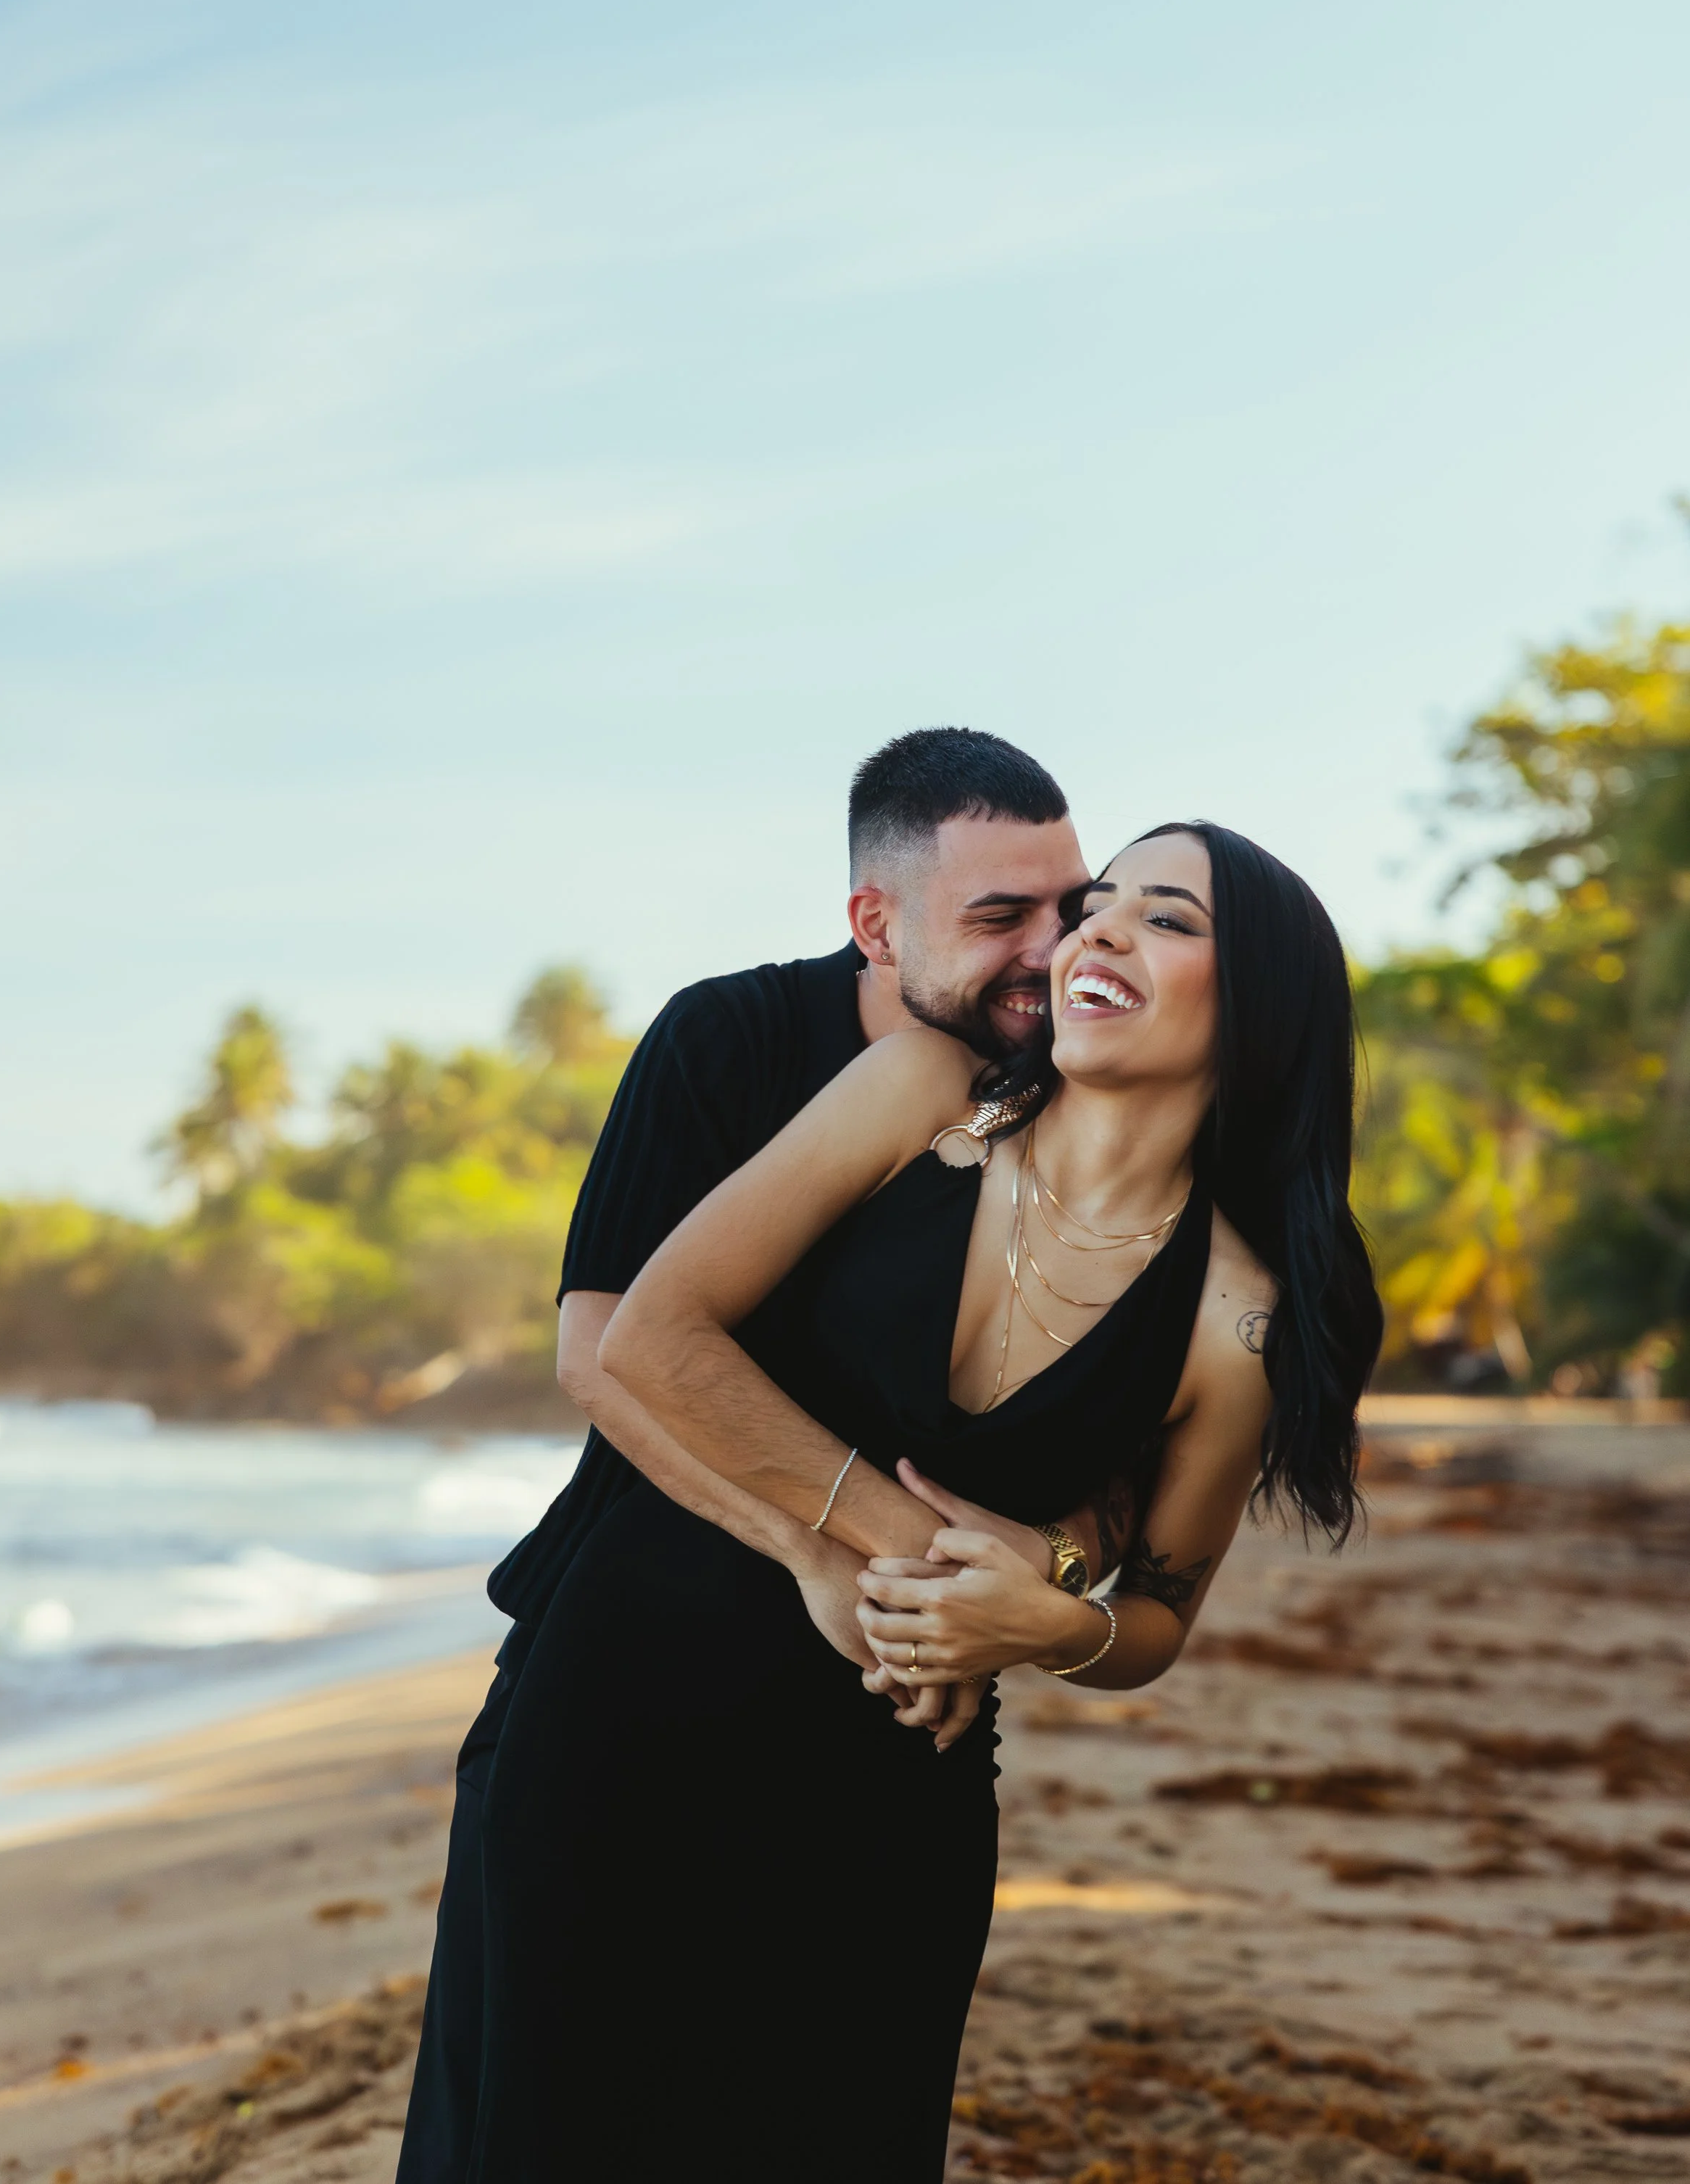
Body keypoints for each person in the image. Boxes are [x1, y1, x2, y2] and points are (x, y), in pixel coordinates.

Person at [589, 820, 1378, 2182]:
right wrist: (906, 1555)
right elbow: (651, 1339)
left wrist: (1047, 1623)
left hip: (897, 1772)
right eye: (1099, 905)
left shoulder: (1234, 1325)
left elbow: (1158, 1621)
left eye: (1168, 919)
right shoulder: (916, 1091)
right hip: (627, 1707)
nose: (1099, 931)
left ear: (1259, 1012)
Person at [396, 727, 1090, 2183]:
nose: (1045, 948)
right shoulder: (726, 1041)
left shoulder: (1079, 1098)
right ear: (873, 919)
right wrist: (813, 1549)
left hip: (899, 1716)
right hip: (626, 1687)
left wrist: (1032, 1582)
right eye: (997, 917)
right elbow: (601, 1351)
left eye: (1064, 904)